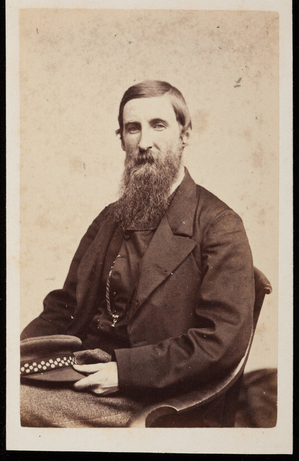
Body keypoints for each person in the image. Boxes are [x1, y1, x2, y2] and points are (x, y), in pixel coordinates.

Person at [20, 80, 255, 427]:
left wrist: (125, 373)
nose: (144, 142)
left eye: (158, 125)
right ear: (121, 140)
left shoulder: (220, 226)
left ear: (185, 134)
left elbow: (220, 342)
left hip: (148, 393)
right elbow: (64, 305)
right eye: (133, 128)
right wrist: (21, 350)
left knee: (16, 405)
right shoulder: (110, 217)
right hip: (83, 367)